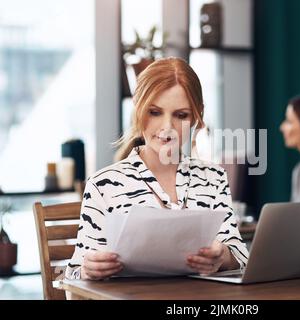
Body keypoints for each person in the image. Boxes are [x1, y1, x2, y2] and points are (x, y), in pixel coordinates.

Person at [65, 57, 248, 280]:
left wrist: (223, 257)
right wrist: (86, 270)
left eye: (181, 115)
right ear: (138, 107)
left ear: (196, 117)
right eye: (154, 112)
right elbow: (73, 276)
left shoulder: (214, 177)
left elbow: (241, 258)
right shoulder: (103, 185)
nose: (167, 127)